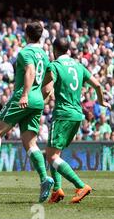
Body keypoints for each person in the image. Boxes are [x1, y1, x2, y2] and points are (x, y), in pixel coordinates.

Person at [0, 21, 55, 203]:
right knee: (30, 142)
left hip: (24, 97)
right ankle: (44, 178)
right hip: (37, 100)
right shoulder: (45, 55)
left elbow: (30, 71)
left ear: (27, 35)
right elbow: (50, 78)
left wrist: (24, 95)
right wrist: (43, 97)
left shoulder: (26, 52)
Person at [42, 38, 110, 203]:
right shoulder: (79, 66)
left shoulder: (55, 66)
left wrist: (38, 103)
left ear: (54, 50)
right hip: (76, 115)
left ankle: (80, 186)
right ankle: (57, 190)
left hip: (62, 114)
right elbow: (98, 86)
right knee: (56, 154)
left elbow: (47, 89)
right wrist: (100, 101)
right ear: (69, 50)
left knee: (51, 156)